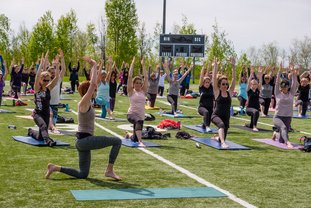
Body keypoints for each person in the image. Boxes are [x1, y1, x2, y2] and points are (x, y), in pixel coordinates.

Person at [45, 57, 122, 180]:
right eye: (93, 90)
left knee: (83, 174)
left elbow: (93, 83)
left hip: (82, 142)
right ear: (88, 91)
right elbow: (92, 84)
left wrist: (94, 68)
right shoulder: (83, 103)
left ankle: (55, 168)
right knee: (117, 141)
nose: (95, 90)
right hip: (85, 141)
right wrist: (95, 64)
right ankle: (109, 170)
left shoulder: (87, 102)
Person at [28, 52, 60, 147]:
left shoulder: (48, 88)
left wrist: (57, 65)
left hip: (46, 113)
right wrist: (42, 63)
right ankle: (48, 141)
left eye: (48, 80)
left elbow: (57, 77)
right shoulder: (37, 88)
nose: (46, 82)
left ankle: (30, 132)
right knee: (44, 126)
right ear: (41, 80)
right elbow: (37, 76)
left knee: (40, 136)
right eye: (44, 80)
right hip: (37, 113)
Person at [272, 63, 298, 148]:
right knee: (283, 127)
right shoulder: (277, 93)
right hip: (278, 117)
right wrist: (279, 71)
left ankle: (276, 134)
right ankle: (288, 143)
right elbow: (276, 82)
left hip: (288, 117)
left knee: (281, 139)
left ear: (288, 87)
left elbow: (295, 83)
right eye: (282, 87)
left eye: (285, 87)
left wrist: (293, 72)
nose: (283, 89)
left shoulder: (291, 93)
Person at [211, 58, 236, 148]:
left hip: (226, 117)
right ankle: (223, 143)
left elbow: (234, 79)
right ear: (219, 85)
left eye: (226, 84)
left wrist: (233, 66)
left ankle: (218, 138)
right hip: (216, 116)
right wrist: (215, 67)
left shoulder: (229, 93)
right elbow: (214, 79)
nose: (225, 86)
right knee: (221, 125)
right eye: (223, 84)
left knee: (223, 134)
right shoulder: (217, 92)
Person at [127, 57, 148, 147]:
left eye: (140, 83)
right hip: (131, 114)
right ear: (133, 83)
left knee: (134, 138)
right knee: (138, 121)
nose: (138, 84)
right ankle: (140, 141)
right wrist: (132, 63)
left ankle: (129, 135)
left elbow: (146, 77)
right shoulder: (131, 91)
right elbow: (129, 76)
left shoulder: (143, 91)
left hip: (141, 115)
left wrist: (143, 65)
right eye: (136, 83)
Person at [47, 49, 66, 133]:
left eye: (54, 72)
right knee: (50, 120)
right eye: (51, 72)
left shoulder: (57, 80)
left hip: (55, 104)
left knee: (53, 122)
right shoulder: (46, 81)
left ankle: (51, 126)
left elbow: (64, 69)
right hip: (47, 103)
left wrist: (62, 58)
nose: (53, 73)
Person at [245, 66, 262, 131]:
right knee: (256, 111)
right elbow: (248, 82)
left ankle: (249, 125)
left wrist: (260, 75)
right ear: (251, 84)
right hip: (249, 109)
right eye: (253, 84)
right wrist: (251, 74)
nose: (254, 85)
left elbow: (260, 82)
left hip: (255, 108)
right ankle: (255, 127)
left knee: (250, 125)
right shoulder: (249, 90)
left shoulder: (258, 90)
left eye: (255, 84)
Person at [198, 62, 214, 130]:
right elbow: (202, 77)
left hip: (211, 108)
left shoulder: (211, 88)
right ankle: (207, 126)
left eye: (208, 82)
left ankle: (204, 125)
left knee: (209, 117)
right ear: (203, 83)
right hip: (202, 107)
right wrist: (203, 67)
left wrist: (213, 67)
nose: (207, 83)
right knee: (206, 112)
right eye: (206, 82)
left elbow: (213, 77)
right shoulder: (201, 88)